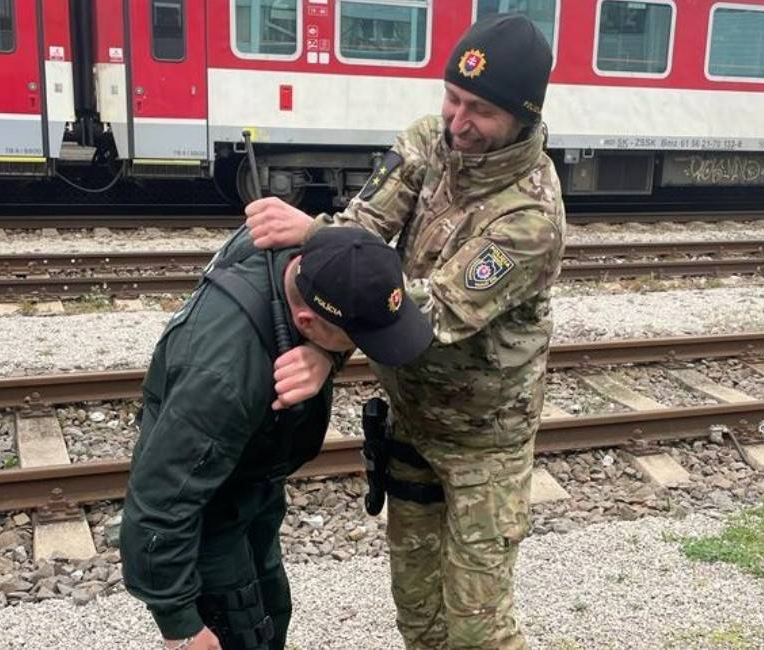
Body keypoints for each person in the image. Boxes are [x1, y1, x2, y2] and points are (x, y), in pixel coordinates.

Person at [243, 13, 565, 649]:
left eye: (480, 110)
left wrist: (313, 245)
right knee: (418, 618)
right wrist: (325, 265)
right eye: (452, 97)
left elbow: (428, 311)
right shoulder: (428, 141)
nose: (457, 121)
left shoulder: (531, 217)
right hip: (410, 421)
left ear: (522, 118)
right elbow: (364, 233)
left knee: (478, 633)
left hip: (483, 446)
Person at [120, 226, 433, 650]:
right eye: (357, 340)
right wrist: (181, 626)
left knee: (271, 611)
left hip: (254, 481)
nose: (363, 350)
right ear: (306, 323)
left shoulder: (303, 255)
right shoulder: (224, 377)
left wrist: (327, 353)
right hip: (210, 517)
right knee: (243, 635)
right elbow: (157, 505)